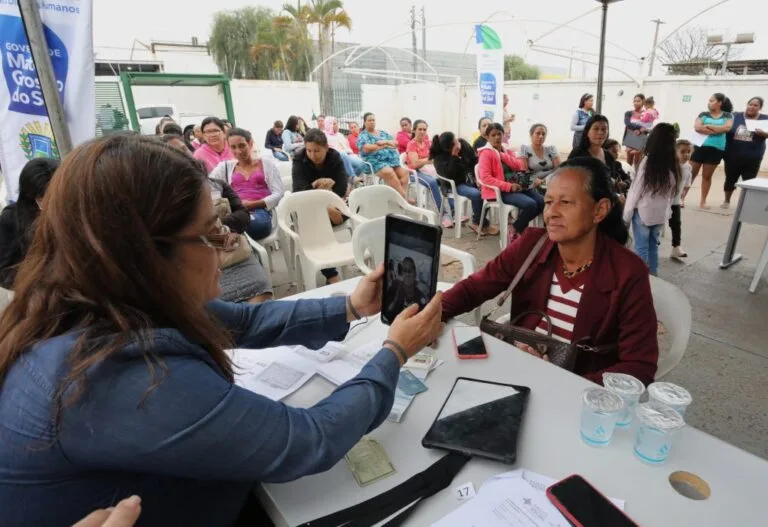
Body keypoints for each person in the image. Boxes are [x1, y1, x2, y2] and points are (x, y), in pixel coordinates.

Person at [0, 133, 444, 526]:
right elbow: (309, 438)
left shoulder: (100, 299)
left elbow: (246, 321)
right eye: (210, 232)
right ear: (147, 255)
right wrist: (393, 354)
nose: (227, 243)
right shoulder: (111, 376)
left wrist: (350, 305)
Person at [441, 156, 659, 386]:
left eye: (565, 202)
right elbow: (474, 288)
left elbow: (639, 367)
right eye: (548, 202)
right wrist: (429, 315)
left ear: (599, 210)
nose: (551, 213)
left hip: (577, 397)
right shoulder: (532, 245)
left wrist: (559, 382)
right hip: (516, 374)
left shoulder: (627, 271)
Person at [163, 135, 274, 304]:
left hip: (234, 253)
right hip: (200, 261)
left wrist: (218, 229)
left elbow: (243, 215)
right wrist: (217, 237)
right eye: (173, 153)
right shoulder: (165, 199)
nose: (182, 155)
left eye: (183, 149)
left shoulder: (216, 184)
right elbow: (178, 239)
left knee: (260, 294)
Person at [292, 128, 351, 285]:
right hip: (308, 209)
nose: (312, 155)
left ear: (326, 147)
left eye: (317, 151)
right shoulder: (299, 159)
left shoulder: (335, 157)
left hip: (334, 203)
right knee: (315, 223)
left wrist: (328, 201)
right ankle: (331, 274)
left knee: (331, 218)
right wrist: (322, 199)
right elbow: (298, 191)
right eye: (309, 150)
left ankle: (329, 267)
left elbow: (341, 187)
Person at [623, 123, 680, 276]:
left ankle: (642, 279)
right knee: (653, 246)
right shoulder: (673, 164)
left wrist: (626, 215)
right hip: (659, 215)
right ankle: (654, 276)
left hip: (643, 213)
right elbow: (671, 192)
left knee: (641, 248)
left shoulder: (647, 162)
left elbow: (635, 191)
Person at [209, 128, 284, 242]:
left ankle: (231, 240)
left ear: (250, 143)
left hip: (259, 212)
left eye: (242, 145)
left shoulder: (266, 164)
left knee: (255, 225)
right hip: (237, 212)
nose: (238, 151)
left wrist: (253, 204)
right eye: (233, 147)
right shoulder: (225, 167)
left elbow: (279, 193)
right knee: (221, 227)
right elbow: (209, 184)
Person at [477, 123, 544, 243]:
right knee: (531, 205)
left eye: (499, 134)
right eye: (493, 135)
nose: (497, 137)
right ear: (487, 137)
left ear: (503, 135)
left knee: (542, 202)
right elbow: (485, 178)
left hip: (518, 185)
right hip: (500, 191)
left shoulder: (505, 150)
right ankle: (516, 229)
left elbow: (520, 165)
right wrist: (508, 186)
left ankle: (518, 226)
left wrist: (502, 155)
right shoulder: (485, 153)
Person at [0, 158, 59, 288]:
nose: (51, 201)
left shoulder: (69, 210)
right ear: (31, 196)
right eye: (44, 196)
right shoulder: (11, 219)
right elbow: (4, 270)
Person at [430, 131, 499, 237]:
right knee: (477, 194)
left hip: (468, 179)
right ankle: (478, 223)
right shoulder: (439, 157)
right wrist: (454, 156)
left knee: (488, 191)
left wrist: (478, 177)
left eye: (457, 139)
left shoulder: (463, 144)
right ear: (451, 147)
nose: (458, 142)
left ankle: (480, 222)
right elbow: (449, 176)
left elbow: (474, 160)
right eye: (456, 141)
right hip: (453, 185)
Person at [688, 93, 734, 209]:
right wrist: (717, 130)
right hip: (700, 146)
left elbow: (727, 128)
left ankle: (703, 202)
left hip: (716, 149)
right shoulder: (703, 114)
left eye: (712, 100)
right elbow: (697, 127)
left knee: (707, 176)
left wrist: (707, 126)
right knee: (690, 174)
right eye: (709, 100)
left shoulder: (728, 116)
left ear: (719, 103)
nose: (709, 102)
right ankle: (681, 198)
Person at [722, 96, 768, 209]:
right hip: (732, 155)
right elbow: (725, 128)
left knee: (749, 180)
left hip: (753, 157)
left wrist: (765, 134)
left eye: (755, 105)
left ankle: (744, 204)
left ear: (760, 108)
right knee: (730, 179)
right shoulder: (735, 116)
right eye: (750, 104)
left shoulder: (765, 119)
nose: (752, 107)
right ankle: (727, 200)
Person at [358, 112, 413, 202]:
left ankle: (398, 199)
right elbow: (367, 148)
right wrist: (386, 144)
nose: (372, 122)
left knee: (405, 173)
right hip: (375, 162)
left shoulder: (382, 132)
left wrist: (384, 142)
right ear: (365, 122)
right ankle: (404, 199)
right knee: (389, 172)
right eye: (369, 120)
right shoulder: (363, 135)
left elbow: (395, 143)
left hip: (391, 161)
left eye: (373, 120)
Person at [406, 120, 451, 227]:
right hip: (415, 173)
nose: (422, 132)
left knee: (447, 179)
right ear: (414, 130)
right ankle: (443, 214)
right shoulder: (411, 144)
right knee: (432, 183)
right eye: (419, 129)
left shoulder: (427, 143)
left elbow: (436, 157)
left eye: (424, 129)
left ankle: (453, 211)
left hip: (429, 170)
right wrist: (427, 160)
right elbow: (415, 164)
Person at [568, 115, 619, 190]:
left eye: (604, 129)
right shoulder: (577, 154)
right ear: (587, 132)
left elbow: (611, 182)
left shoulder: (609, 156)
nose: (600, 132)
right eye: (596, 129)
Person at [670, 139, 693, 259]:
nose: (686, 154)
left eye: (689, 151)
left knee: (676, 224)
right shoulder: (670, 165)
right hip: (663, 202)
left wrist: (683, 196)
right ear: (675, 152)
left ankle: (676, 247)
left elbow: (687, 184)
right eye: (682, 151)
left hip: (675, 202)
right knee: (657, 223)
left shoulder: (688, 167)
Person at [623, 93, 648, 168]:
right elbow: (628, 124)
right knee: (629, 160)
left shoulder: (646, 114)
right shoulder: (628, 113)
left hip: (641, 137)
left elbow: (647, 128)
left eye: (638, 101)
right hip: (630, 137)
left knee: (638, 161)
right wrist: (640, 127)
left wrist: (640, 131)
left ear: (643, 101)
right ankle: (628, 177)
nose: (636, 103)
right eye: (634, 101)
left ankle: (637, 178)